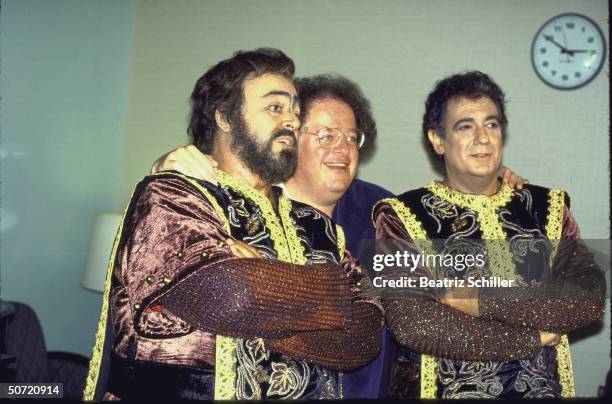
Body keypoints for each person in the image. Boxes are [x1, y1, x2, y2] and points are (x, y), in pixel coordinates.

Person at [152, 73, 527, 398]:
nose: (342, 149)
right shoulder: (242, 207)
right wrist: (163, 171)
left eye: (352, 137)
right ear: (288, 137)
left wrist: (488, 199)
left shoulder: (378, 210)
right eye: (326, 134)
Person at [83, 48, 383, 401]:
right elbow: (231, 295)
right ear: (224, 116)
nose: (291, 120)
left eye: (352, 137)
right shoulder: (174, 193)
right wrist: (336, 297)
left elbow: (364, 339)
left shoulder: (359, 214)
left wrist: (262, 290)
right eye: (276, 107)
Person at [373, 71, 605, 399]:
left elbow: (587, 299)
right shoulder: (401, 215)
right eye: (465, 126)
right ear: (438, 140)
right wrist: (533, 338)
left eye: (491, 124)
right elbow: (415, 323)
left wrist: (478, 301)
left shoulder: (546, 207)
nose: (482, 138)